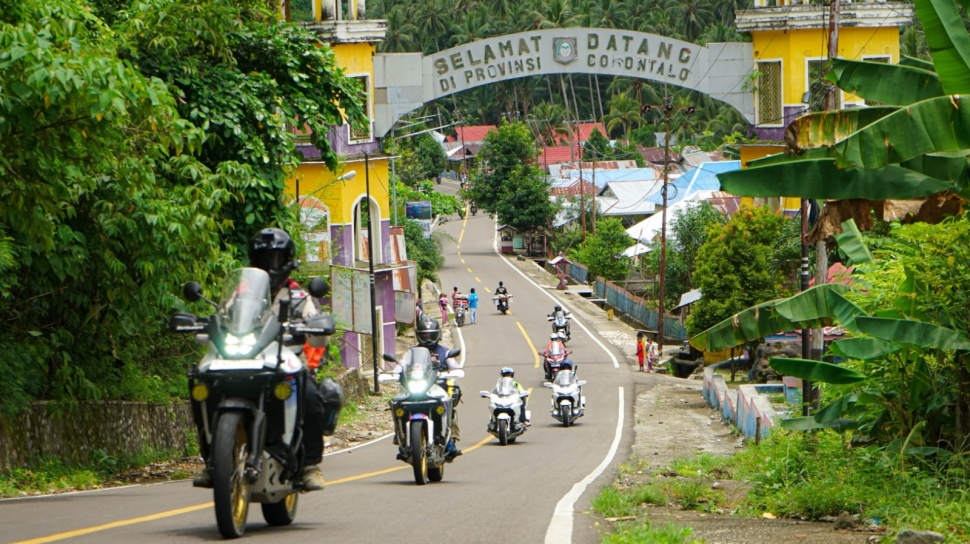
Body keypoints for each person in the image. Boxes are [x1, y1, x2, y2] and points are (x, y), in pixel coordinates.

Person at [195, 227, 329, 491]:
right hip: (244, 359)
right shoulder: (240, 295)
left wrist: (315, 333)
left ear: (288, 261)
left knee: (312, 398)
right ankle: (214, 461)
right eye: (265, 259)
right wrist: (203, 326)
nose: (271, 265)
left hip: (287, 361)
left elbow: (318, 336)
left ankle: (310, 466)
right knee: (204, 387)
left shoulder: (300, 298)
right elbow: (221, 319)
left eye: (277, 259)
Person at [401, 317, 463, 460]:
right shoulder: (411, 353)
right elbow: (401, 366)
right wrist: (392, 373)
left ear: (438, 335)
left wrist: (455, 371)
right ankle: (401, 438)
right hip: (415, 388)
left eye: (431, 335)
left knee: (449, 409)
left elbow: (456, 367)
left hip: (438, 389)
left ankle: (450, 443)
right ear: (418, 335)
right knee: (399, 405)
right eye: (424, 336)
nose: (428, 339)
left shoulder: (445, 352)